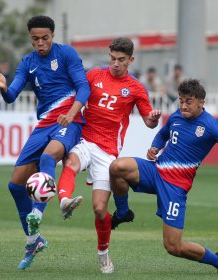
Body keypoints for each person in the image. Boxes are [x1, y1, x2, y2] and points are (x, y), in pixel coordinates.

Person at [109, 79, 218, 274]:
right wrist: (155, 147)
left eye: (188, 101)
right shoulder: (177, 116)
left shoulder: (211, 126)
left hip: (175, 187)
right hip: (156, 172)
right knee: (117, 167)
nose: (183, 105)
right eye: (181, 100)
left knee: (173, 246)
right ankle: (123, 212)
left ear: (201, 102)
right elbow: (162, 134)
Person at [0, 15, 90, 269]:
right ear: (30, 38)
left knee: (48, 157)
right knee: (15, 185)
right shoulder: (27, 62)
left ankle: (38, 212)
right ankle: (34, 240)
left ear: (53, 36)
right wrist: (2, 87)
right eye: (35, 39)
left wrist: (73, 112)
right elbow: (11, 96)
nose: (40, 43)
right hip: (44, 123)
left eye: (45, 38)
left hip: (69, 120)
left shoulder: (66, 54)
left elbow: (84, 87)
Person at [56, 37, 161, 273]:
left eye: (121, 60)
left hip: (107, 151)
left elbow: (148, 121)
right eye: (112, 58)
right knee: (70, 162)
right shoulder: (93, 76)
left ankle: (103, 254)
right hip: (85, 139)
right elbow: (77, 96)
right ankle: (64, 200)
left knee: (99, 208)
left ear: (131, 60)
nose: (115, 63)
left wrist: (152, 120)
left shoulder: (135, 88)